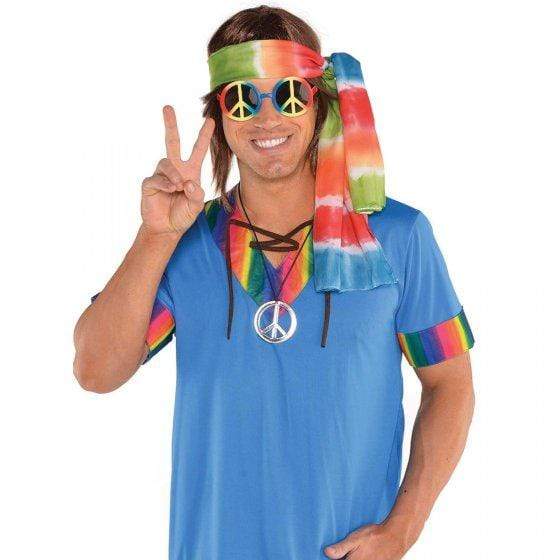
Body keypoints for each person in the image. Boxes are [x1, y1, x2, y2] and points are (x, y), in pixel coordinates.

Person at [73, 6, 475, 560]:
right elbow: (95, 371)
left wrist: (403, 528)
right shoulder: (182, 243)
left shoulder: (398, 235)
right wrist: (155, 236)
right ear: (218, 115)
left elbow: (451, 384)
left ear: (319, 104)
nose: (266, 118)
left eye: (288, 95)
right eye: (242, 98)